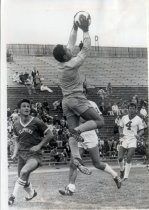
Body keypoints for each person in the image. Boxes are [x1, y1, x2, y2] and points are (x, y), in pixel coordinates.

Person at [53, 16, 105, 175]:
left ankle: (78, 161)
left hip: (66, 101)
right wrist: (86, 30)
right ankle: (77, 130)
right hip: (76, 99)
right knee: (99, 121)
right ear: (64, 56)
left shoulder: (62, 63)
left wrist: (74, 27)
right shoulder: (72, 63)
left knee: (74, 138)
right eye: (67, 50)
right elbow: (86, 50)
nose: (70, 49)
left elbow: (70, 42)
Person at [59, 100, 121, 195]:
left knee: (97, 164)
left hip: (90, 134)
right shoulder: (70, 103)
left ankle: (115, 175)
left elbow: (99, 119)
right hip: (77, 134)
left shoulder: (91, 103)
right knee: (73, 162)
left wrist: (83, 118)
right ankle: (71, 188)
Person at [8, 99, 53, 205]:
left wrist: (39, 145)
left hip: (34, 154)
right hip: (22, 155)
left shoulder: (36, 121)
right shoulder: (15, 124)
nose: (27, 108)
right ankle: (32, 193)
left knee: (23, 173)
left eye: (28, 106)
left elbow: (50, 134)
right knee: (23, 180)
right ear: (18, 110)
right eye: (24, 106)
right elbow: (16, 141)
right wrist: (14, 153)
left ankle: (12, 197)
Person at [118, 103, 144, 181]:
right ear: (128, 109)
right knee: (120, 158)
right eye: (130, 108)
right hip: (124, 138)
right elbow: (120, 127)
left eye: (133, 108)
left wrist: (138, 135)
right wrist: (121, 133)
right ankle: (122, 170)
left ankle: (126, 176)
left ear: (135, 110)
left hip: (133, 139)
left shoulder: (138, 119)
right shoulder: (124, 118)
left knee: (129, 156)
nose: (131, 110)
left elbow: (142, 130)